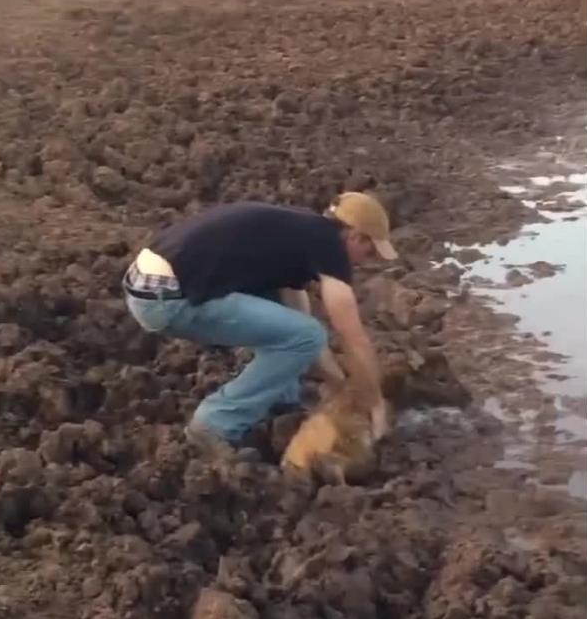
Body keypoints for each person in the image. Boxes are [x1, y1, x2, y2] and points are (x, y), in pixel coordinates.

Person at [122, 192, 398, 456]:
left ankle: (283, 403)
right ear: (355, 236)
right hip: (164, 298)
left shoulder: (301, 231)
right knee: (308, 335)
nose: (366, 262)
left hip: (146, 283)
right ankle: (214, 424)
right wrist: (374, 404)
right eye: (370, 252)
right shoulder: (330, 246)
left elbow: (296, 314)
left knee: (298, 328)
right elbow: (352, 337)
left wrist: (338, 383)